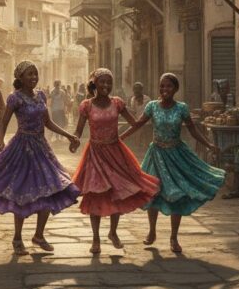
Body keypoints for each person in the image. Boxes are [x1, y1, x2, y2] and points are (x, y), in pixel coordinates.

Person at [0, 61, 81, 256]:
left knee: (50, 189)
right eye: (29, 74)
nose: (33, 77)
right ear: (20, 78)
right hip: (21, 148)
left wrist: (68, 135)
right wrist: (0, 142)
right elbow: (3, 122)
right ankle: (17, 238)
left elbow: (48, 122)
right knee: (20, 193)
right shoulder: (15, 98)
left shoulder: (40, 95)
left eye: (35, 74)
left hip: (41, 148)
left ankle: (39, 235)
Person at [122, 73, 224, 253]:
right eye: (162, 86)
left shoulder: (182, 108)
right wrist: (120, 137)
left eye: (168, 86)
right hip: (156, 155)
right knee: (151, 193)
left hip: (177, 155)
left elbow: (193, 130)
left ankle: (173, 238)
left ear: (175, 89)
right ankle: (152, 231)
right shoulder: (152, 106)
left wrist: (208, 144)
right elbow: (138, 124)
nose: (164, 90)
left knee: (177, 194)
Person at [71, 69, 159, 254]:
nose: (106, 86)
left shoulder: (117, 103)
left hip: (116, 153)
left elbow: (135, 123)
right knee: (94, 194)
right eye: (102, 82)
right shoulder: (86, 105)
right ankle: (95, 239)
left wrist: (154, 116)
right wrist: (75, 140)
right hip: (95, 154)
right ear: (95, 83)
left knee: (118, 192)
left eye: (109, 82)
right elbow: (79, 130)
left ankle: (113, 232)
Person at [126, 82, 152, 156]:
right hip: (138, 123)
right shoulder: (133, 99)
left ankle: (149, 155)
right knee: (138, 141)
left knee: (148, 141)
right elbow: (134, 111)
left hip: (147, 123)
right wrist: (126, 108)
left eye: (138, 90)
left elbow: (149, 112)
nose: (136, 91)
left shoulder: (147, 99)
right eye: (135, 90)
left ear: (141, 90)